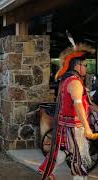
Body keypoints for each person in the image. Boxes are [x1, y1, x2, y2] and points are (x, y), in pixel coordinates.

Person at [39, 43, 98, 180]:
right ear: (77, 66)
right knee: (78, 159)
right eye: (85, 65)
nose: (86, 68)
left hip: (69, 124)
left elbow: (87, 104)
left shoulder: (71, 81)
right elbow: (78, 106)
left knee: (64, 151)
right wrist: (87, 128)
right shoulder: (74, 83)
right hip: (73, 127)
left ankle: (45, 171)